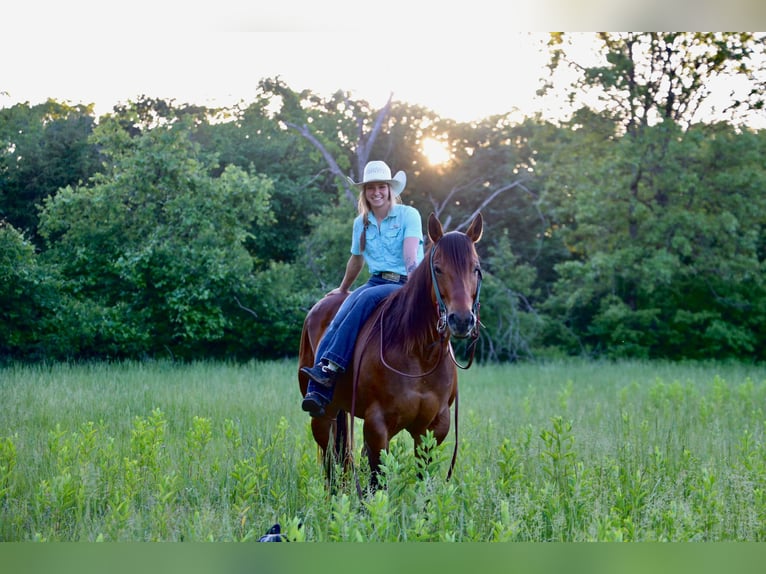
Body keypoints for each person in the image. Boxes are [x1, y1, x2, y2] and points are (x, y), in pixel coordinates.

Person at [301, 160, 424, 417]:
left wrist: (415, 292)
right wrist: (342, 288)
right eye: (370, 188)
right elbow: (356, 259)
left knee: (364, 297)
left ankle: (332, 365)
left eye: (381, 187)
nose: (376, 192)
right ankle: (318, 386)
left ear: (390, 189)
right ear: (364, 191)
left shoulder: (408, 215)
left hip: (405, 283)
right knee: (343, 309)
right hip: (377, 281)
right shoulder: (362, 223)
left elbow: (411, 257)